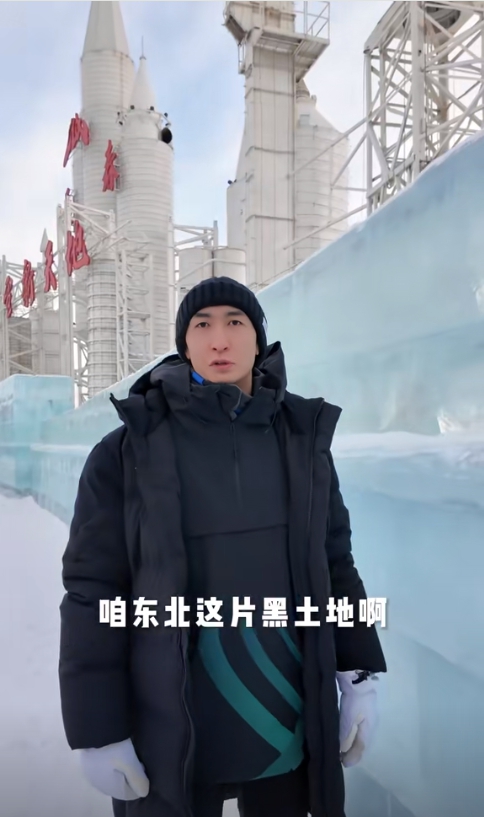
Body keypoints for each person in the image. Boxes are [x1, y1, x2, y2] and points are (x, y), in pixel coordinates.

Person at [59, 276, 386, 817]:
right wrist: (97, 728)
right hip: (171, 725)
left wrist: (358, 674)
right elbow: (93, 592)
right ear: (183, 344)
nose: (219, 340)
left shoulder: (302, 443)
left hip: (284, 715)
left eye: (235, 322)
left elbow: (336, 565)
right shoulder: (127, 452)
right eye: (202, 325)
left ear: (258, 340)